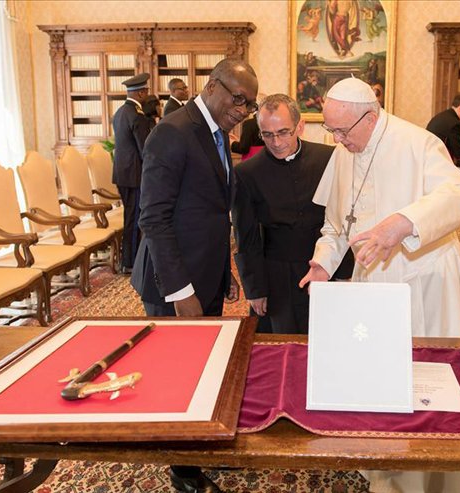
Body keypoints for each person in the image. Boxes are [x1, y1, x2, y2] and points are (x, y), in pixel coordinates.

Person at [298, 75, 460, 493]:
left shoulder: (419, 143)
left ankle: (436, 480)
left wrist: (404, 222)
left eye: (344, 130)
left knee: (429, 384)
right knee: (381, 377)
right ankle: (388, 472)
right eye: (332, 131)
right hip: (373, 277)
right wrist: (324, 264)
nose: (339, 140)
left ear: (371, 115)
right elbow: (336, 225)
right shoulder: (346, 151)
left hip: (424, 279)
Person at [131, 58, 258, 493]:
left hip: (204, 273)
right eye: (239, 99)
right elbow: (154, 217)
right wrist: (180, 290)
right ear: (212, 85)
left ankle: (193, 453)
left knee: (201, 371)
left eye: (251, 105)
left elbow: (211, 210)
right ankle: (182, 474)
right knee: (176, 378)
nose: (243, 110)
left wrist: (225, 270)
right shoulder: (173, 130)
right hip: (175, 283)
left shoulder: (217, 132)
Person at [233, 94, 336, 334]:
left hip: (323, 264)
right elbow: (246, 235)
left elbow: (341, 220)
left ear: (299, 127)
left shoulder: (328, 158)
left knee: (327, 335)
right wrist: (255, 289)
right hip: (276, 272)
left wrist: (342, 273)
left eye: (283, 132)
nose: (276, 142)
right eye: (267, 134)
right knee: (281, 341)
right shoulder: (248, 172)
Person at [112, 72, 151, 274]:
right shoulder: (137, 116)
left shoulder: (119, 113)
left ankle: (127, 260)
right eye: (146, 91)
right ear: (141, 93)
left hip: (122, 174)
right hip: (135, 176)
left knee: (129, 217)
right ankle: (132, 263)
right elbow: (145, 149)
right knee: (134, 219)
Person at [425, 92, 460, 177]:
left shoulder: (441, 116)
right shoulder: (454, 123)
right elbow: (459, 151)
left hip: (430, 162)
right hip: (439, 166)